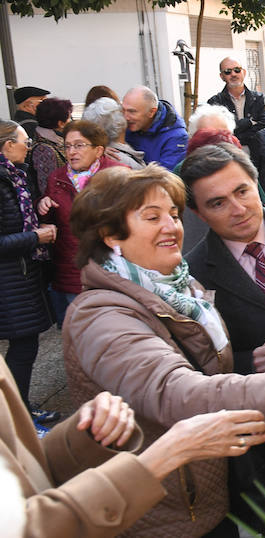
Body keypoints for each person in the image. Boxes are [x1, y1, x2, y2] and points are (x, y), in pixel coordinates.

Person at [63, 163, 265, 536]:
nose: (171, 227)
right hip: (162, 508)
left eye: (172, 214)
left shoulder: (175, 287)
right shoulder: (102, 314)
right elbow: (173, 390)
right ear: (111, 234)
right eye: (152, 217)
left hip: (206, 488)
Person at [1, 349, 265, 538]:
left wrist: (83, 437)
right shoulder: (99, 312)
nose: (182, 260)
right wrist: (162, 457)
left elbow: (26, 473)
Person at [0, 120, 58, 435]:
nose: (29, 146)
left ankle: (21, 407)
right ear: (7, 145)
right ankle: (19, 423)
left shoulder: (14, 177)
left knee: (27, 348)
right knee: (22, 349)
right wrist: (36, 237)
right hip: (8, 279)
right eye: (24, 141)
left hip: (18, 276)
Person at [38, 120, 126, 326]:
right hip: (73, 268)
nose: (71, 152)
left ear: (98, 150)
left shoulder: (119, 174)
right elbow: (50, 223)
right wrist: (43, 207)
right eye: (67, 146)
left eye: (79, 145)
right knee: (80, 332)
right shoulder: (57, 178)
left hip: (113, 267)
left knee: (113, 330)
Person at [122, 86, 188, 171]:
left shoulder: (176, 137)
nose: (125, 117)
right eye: (123, 110)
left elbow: (165, 177)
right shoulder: (125, 123)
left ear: (152, 112)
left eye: (132, 112)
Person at [206, 57, 265, 147]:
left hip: (258, 154)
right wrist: (248, 122)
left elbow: (264, 125)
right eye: (228, 71)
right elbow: (217, 132)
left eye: (237, 70)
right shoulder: (215, 103)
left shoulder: (259, 99)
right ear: (222, 76)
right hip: (228, 154)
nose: (233, 74)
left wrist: (236, 135)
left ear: (244, 72)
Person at [82, 97, 146, 170]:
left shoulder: (96, 156)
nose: (127, 116)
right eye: (122, 112)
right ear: (118, 123)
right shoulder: (123, 161)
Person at [30, 97, 72, 195]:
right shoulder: (44, 149)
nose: (70, 121)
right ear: (60, 123)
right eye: (69, 118)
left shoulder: (56, 140)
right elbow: (47, 188)